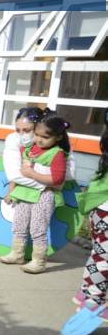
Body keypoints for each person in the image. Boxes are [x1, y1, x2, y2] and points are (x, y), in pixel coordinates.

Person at [1, 113, 72, 274]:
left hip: (44, 195)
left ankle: (38, 261)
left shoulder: (57, 154)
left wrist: (32, 174)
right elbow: (15, 170)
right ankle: (17, 253)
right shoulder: (29, 148)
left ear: (58, 137)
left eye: (45, 137)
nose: (39, 139)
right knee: (19, 224)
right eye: (37, 135)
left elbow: (58, 179)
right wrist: (12, 190)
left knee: (38, 228)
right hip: (25, 193)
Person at [72, 127, 108, 321]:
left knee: (99, 255)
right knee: (104, 259)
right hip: (106, 212)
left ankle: (85, 293)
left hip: (100, 210)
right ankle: (93, 302)